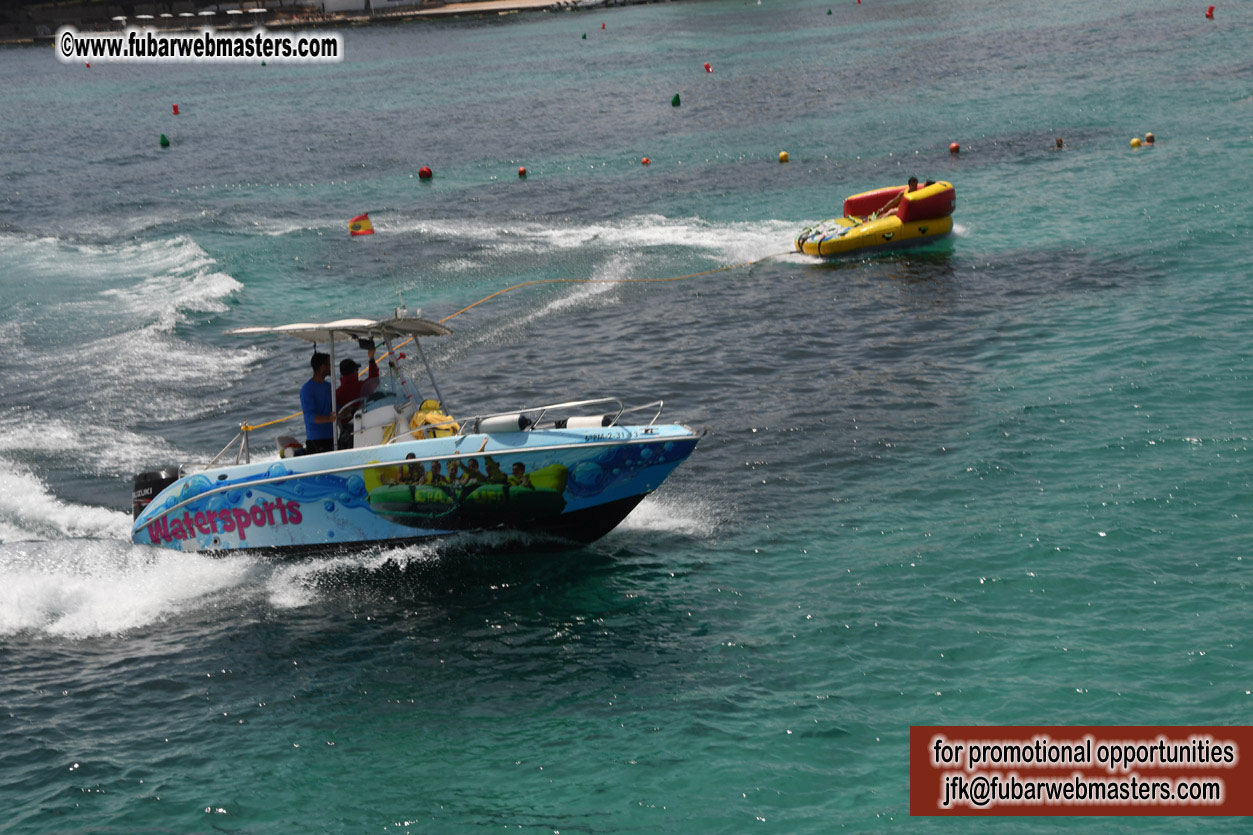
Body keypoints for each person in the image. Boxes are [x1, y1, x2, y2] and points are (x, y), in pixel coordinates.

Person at [334, 341, 379, 449]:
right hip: (365, 427)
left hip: (347, 433)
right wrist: (371, 359)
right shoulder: (362, 386)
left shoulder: (336, 393)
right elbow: (374, 379)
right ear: (354, 372)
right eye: (357, 370)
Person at [299, 352, 336, 454]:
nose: (332, 367)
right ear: (323, 367)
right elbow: (310, 417)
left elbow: (335, 408)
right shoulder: (307, 389)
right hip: (316, 440)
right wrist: (329, 419)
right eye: (330, 364)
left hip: (332, 436)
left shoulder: (329, 386)